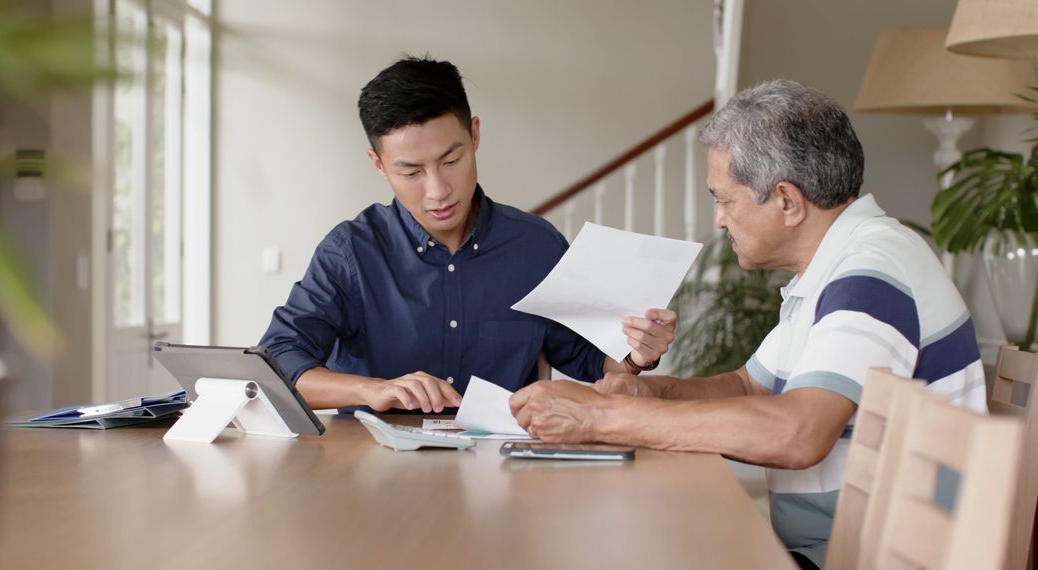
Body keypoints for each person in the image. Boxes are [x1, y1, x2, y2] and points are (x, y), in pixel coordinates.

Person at [508, 79, 987, 569]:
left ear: (787, 201)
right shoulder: (833, 269)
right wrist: (645, 395)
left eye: (725, 199)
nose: (718, 220)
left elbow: (799, 432)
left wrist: (600, 419)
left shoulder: (872, 271)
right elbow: (748, 387)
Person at [260, 56, 676, 414]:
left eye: (451, 159)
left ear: (475, 135)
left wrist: (636, 354)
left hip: (500, 469)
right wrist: (373, 390)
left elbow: (590, 360)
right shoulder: (349, 252)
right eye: (411, 172)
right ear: (378, 164)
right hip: (373, 468)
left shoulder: (536, 247)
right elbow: (276, 362)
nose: (438, 190)